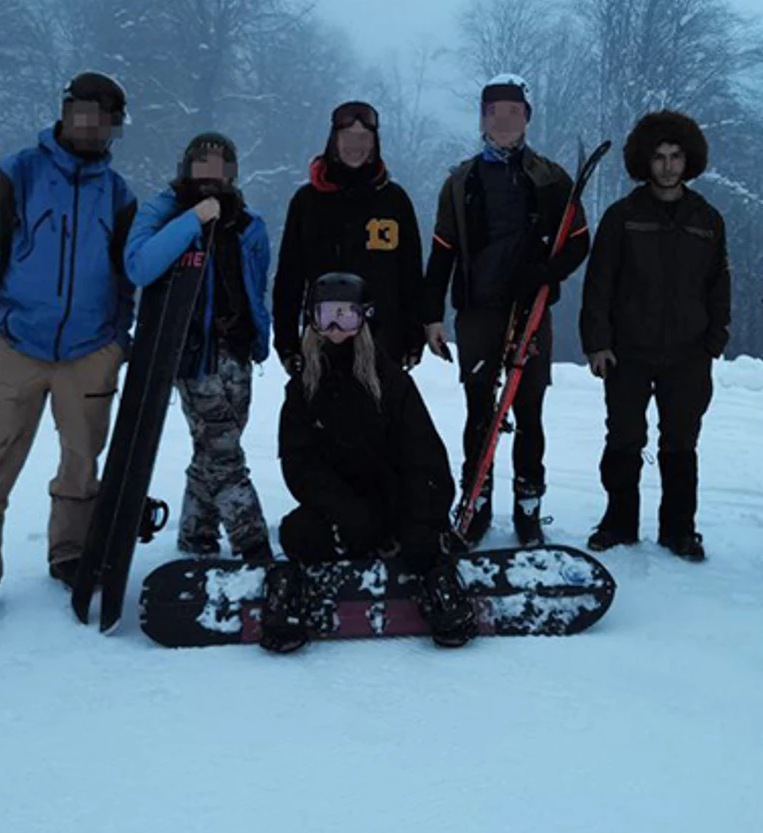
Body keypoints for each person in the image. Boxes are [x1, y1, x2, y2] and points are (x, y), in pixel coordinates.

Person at [0, 72, 138, 615]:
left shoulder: (118, 195)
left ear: (115, 127)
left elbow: (126, 278)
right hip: (13, 348)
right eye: (82, 110)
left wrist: (116, 341)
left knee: (81, 464)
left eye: (104, 115)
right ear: (66, 112)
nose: (91, 123)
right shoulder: (17, 172)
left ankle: (72, 555)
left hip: (89, 352)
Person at [419, 74, 590, 547]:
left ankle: (528, 506)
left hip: (532, 310)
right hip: (477, 311)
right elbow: (442, 251)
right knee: (479, 411)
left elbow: (579, 242)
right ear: (483, 119)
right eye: (495, 112)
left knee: (530, 410)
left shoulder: (551, 178)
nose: (504, 121)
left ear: (527, 118)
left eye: (514, 112)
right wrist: (431, 314)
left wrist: (547, 273)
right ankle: (475, 504)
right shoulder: (461, 182)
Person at [263, 273, 475, 653]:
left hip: (395, 502)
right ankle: (293, 594)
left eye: (346, 316)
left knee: (421, 537)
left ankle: (435, 580)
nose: (334, 328)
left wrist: (422, 515)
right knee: (297, 533)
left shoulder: (390, 382)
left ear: (363, 319)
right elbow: (299, 463)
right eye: (326, 315)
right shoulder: (302, 388)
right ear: (311, 320)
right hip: (343, 511)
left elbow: (423, 455)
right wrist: (346, 510)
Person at [580, 110, 732, 561]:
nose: (667, 166)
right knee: (624, 438)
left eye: (675, 156)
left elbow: (719, 282)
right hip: (628, 350)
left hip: (688, 352)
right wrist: (597, 342)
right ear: (643, 162)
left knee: (681, 442)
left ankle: (679, 530)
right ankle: (619, 523)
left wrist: (715, 337)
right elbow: (599, 282)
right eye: (659, 157)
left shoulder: (707, 218)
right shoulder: (622, 216)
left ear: (690, 160)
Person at [123, 133, 273, 563]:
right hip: (192, 351)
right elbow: (141, 265)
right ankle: (253, 544)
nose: (211, 174)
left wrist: (257, 337)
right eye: (202, 164)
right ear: (186, 167)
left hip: (238, 351)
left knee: (212, 448)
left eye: (220, 166)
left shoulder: (248, 222)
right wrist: (193, 219)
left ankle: (195, 537)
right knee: (224, 451)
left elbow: (255, 284)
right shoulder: (163, 210)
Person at [271, 101, 426, 373]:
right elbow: (289, 277)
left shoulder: (394, 200)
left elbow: (410, 274)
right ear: (334, 141)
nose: (356, 145)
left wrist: (414, 336)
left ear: (375, 143)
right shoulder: (307, 201)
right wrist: (287, 343)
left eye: (364, 138)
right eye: (348, 137)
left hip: (383, 343)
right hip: (322, 341)